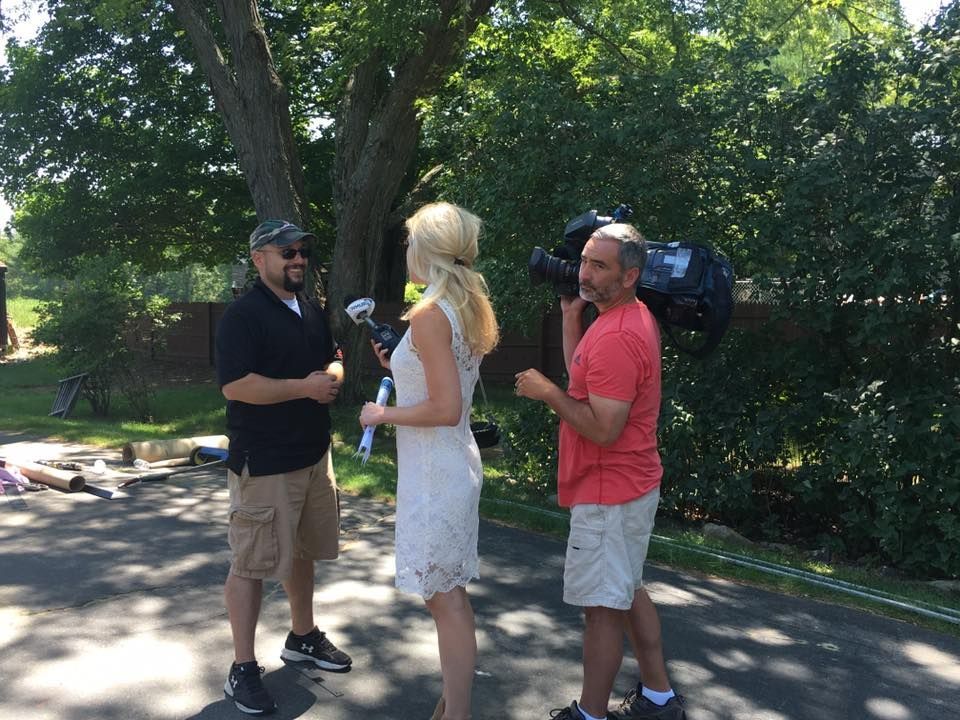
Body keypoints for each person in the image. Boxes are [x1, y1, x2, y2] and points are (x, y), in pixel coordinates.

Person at [514, 223, 687, 720]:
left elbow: (603, 427)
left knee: (602, 612)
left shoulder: (618, 333)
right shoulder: (623, 317)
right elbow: (586, 384)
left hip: (610, 488)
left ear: (630, 274)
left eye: (599, 266)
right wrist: (572, 320)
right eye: (585, 260)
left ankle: (590, 714)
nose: (582, 272)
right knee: (627, 591)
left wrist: (548, 393)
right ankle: (658, 697)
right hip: (627, 484)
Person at [359, 202, 499, 720]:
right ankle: (449, 705)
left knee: (445, 599)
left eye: (411, 240)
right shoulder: (459, 305)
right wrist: (399, 357)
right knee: (446, 594)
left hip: (437, 472)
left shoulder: (430, 312)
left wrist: (381, 414)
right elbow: (442, 379)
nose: (406, 250)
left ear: (430, 250)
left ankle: (456, 713)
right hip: (445, 466)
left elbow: (445, 406)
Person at [215, 219, 351, 716]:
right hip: (265, 462)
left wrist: (334, 372)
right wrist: (304, 387)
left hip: (314, 454)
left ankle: (302, 636)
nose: (298, 259)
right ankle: (242, 669)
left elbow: (333, 354)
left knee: (302, 551)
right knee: (250, 565)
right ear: (259, 259)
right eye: (286, 252)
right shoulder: (242, 316)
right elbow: (236, 386)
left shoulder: (309, 310)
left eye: (303, 251)